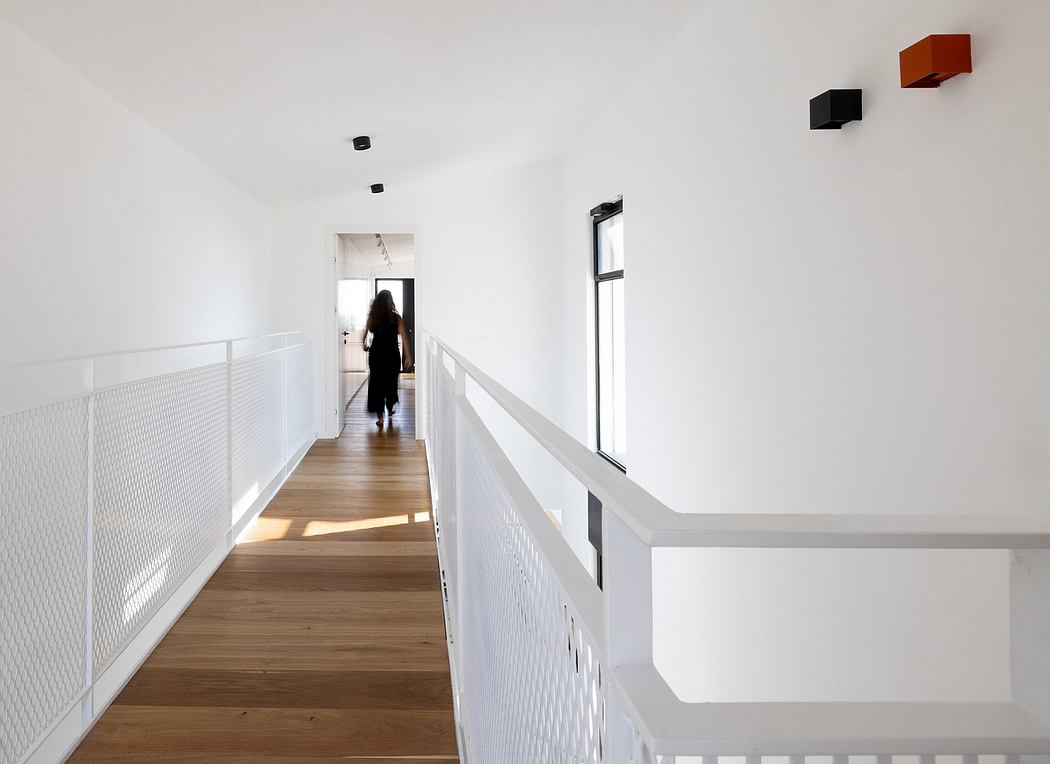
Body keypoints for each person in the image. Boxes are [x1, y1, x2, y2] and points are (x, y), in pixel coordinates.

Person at [363, 289, 413, 428]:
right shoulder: (396, 318)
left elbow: (366, 331)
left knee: (376, 384)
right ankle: (390, 408)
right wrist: (409, 356)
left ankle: (380, 418)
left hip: (376, 355)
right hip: (392, 355)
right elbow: (404, 337)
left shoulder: (373, 317)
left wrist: (363, 343)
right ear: (390, 301)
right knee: (391, 382)